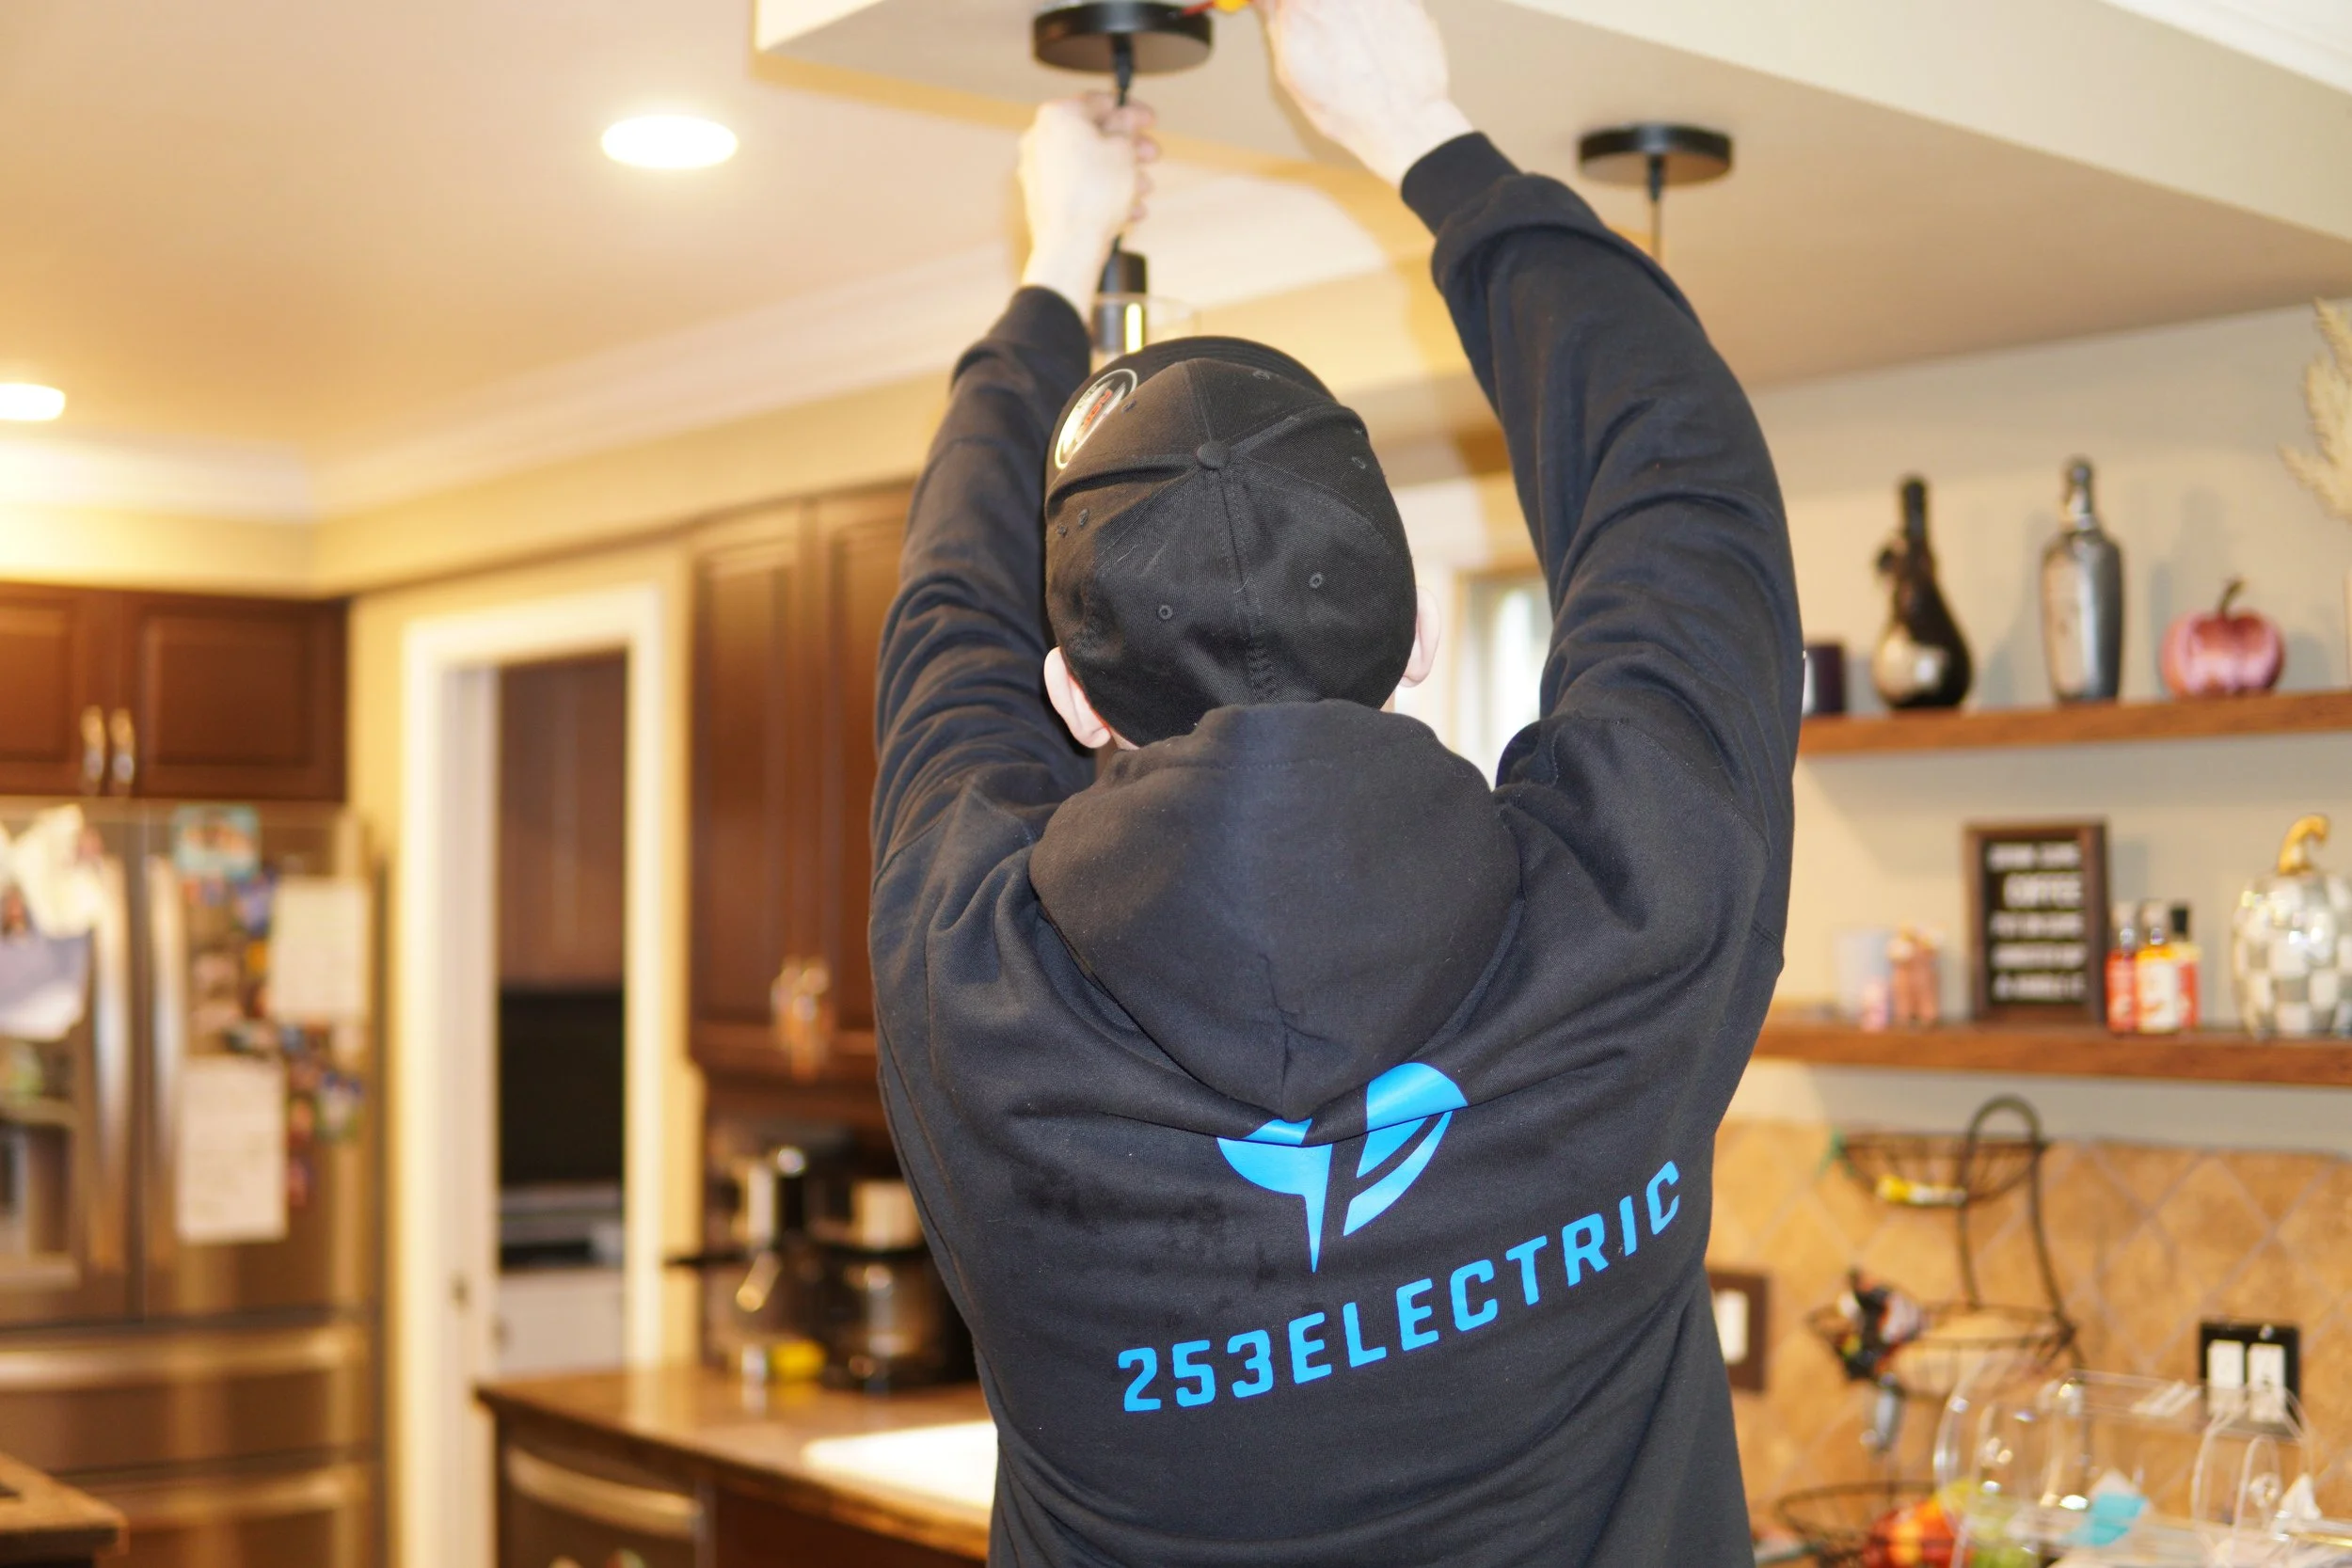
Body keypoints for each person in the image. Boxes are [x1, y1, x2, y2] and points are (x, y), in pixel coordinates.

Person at [868, 0, 1799, 1560]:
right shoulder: (1635, 901)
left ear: (1071, 692)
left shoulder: (977, 1003)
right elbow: (1683, 484)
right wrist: (1416, 127)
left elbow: (946, 615)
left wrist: (1054, 266)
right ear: (1422, 626)